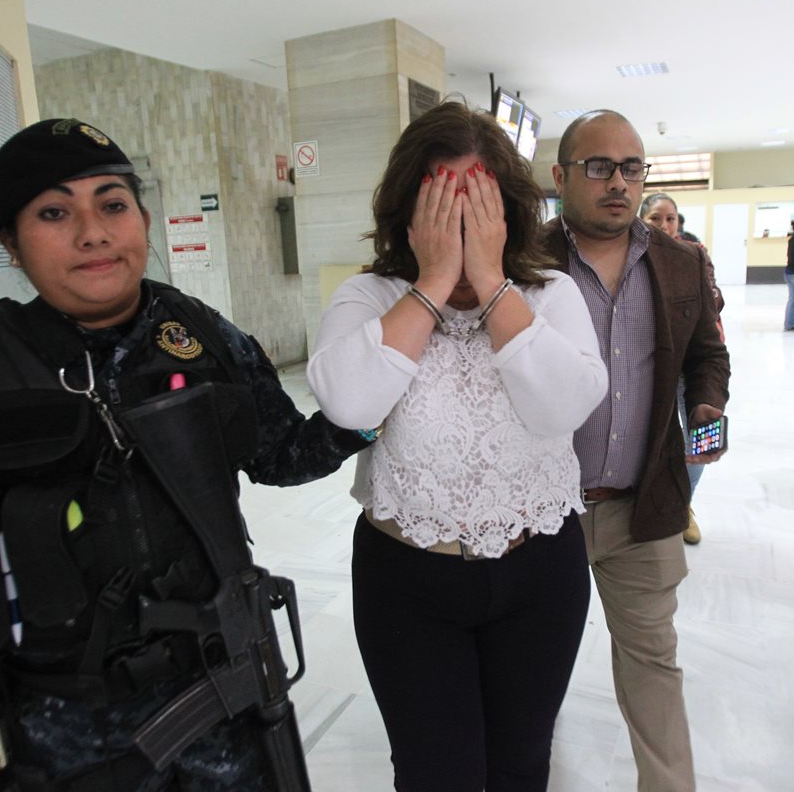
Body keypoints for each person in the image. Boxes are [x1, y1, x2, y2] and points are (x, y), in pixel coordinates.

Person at [0, 119, 375, 791]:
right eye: (54, 212)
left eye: (113, 204)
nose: (93, 232)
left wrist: (366, 412)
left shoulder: (202, 335)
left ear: (143, 221)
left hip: (227, 703)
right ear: (10, 243)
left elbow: (281, 456)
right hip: (68, 735)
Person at [306, 101, 607, 792]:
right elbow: (350, 403)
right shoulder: (368, 295)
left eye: (480, 211)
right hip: (407, 581)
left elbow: (562, 407)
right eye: (446, 211)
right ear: (411, 215)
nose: (464, 233)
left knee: (521, 765)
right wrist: (435, 282)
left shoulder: (551, 294)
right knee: (434, 773)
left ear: (510, 213)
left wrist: (494, 284)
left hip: (539, 573)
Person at [546, 110, 730, 792]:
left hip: (642, 507)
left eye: (631, 167)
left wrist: (706, 403)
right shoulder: (523, 259)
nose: (618, 183)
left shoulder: (680, 263)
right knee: (531, 667)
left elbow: (708, 355)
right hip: (541, 512)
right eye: (599, 167)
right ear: (561, 176)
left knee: (653, 662)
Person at [639, 192, 725, 544]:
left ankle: (684, 504)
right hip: (656, 363)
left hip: (697, 363)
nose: (664, 225)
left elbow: (715, 301)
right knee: (657, 435)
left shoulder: (694, 255)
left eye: (670, 218)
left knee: (702, 438)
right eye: (655, 218)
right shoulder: (631, 259)